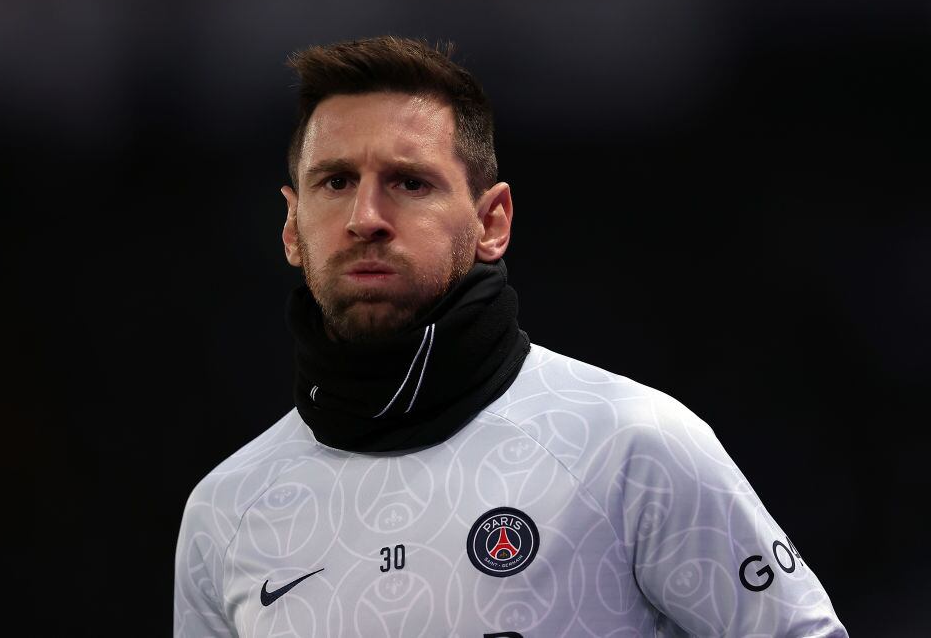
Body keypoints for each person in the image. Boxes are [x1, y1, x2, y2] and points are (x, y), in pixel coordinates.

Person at [174, 36, 847, 637]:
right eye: (336, 181)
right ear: (293, 228)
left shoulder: (629, 446)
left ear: (492, 221)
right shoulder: (228, 512)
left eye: (410, 181)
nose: (366, 216)